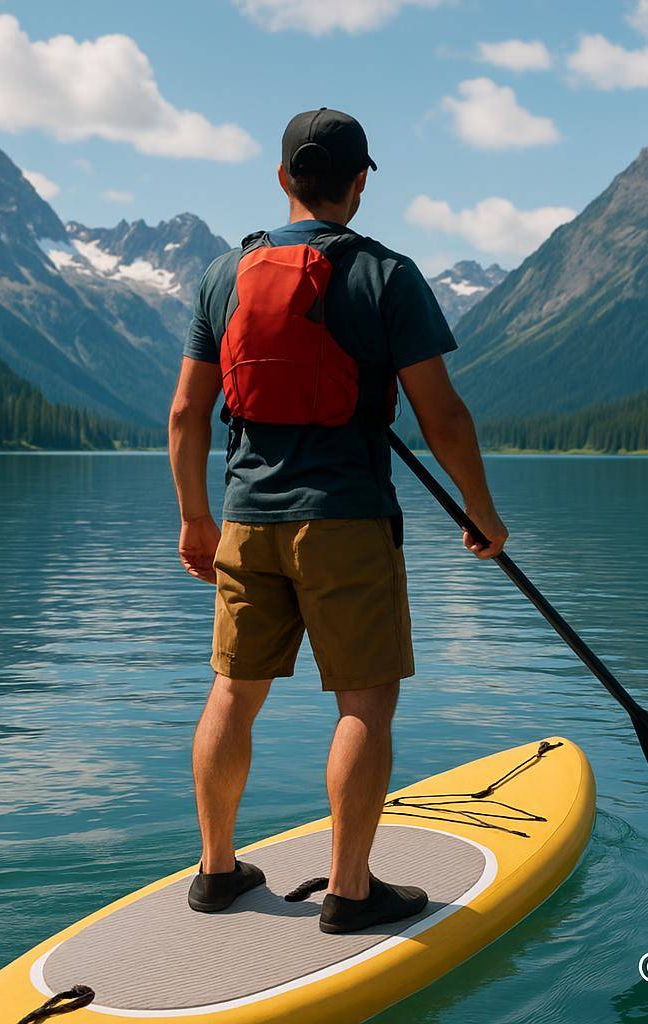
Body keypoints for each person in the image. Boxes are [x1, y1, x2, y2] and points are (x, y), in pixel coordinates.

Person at [167, 108, 508, 935]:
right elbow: (444, 419)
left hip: (248, 520)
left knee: (232, 694)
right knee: (363, 703)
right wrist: (481, 511)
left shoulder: (224, 276)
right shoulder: (387, 276)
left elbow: (186, 414)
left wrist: (196, 521)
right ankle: (351, 893)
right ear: (359, 185)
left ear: (284, 179)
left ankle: (216, 872)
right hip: (348, 522)